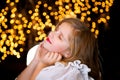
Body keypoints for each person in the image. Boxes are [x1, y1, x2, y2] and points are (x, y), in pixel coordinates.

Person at [16, 18, 102, 80]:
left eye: (60, 37)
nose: (52, 34)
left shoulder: (65, 73)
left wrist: (41, 64)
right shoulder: (48, 62)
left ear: (69, 53)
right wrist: (36, 60)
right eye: (56, 30)